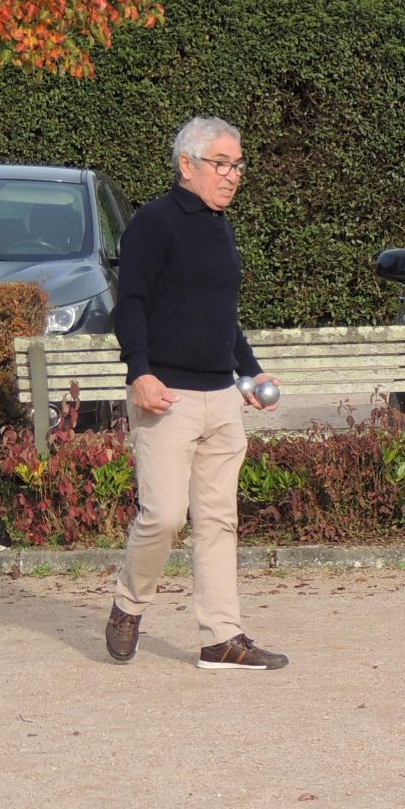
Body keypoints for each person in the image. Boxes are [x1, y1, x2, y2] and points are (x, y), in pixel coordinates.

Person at [103, 116, 289, 670]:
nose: (232, 176)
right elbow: (129, 304)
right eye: (222, 164)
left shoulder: (220, 227)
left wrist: (249, 373)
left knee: (218, 520)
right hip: (168, 397)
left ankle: (220, 637)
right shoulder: (152, 225)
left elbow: (222, 317)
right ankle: (127, 604)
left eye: (238, 166)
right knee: (163, 517)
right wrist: (139, 372)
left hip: (221, 401)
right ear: (188, 165)